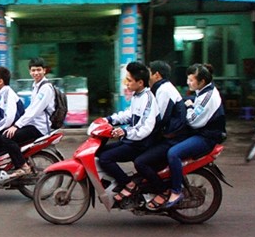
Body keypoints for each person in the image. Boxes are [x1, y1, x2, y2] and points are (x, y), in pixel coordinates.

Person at [97, 61, 160, 204]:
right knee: (99, 152)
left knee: (105, 158)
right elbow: (128, 114)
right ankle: (117, 181)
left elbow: (145, 128)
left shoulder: (148, 99)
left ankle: (128, 184)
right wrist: (109, 119)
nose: (126, 83)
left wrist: (125, 132)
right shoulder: (137, 95)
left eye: (129, 80)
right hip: (132, 140)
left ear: (140, 82)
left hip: (141, 143)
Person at [165, 63, 226, 208]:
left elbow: (193, 120)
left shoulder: (208, 96)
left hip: (206, 137)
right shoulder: (203, 92)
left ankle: (176, 191)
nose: (188, 82)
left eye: (191, 80)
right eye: (188, 79)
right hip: (199, 133)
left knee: (173, 153)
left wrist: (189, 106)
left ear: (202, 81)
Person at [133, 60, 190, 210]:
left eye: (149, 72)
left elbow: (159, 119)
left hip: (172, 139)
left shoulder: (164, 90)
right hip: (167, 135)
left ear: (156, 75)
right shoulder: (159, 89)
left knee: (141, 162)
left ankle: (163, 191)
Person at [2, 57, 55, 177]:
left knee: (7, 137)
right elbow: (30, 108)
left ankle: (23, 167)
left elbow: (35, 111)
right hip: (33, 123)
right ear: (29, 71)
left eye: (39, 70)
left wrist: (16, 125)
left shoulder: (45, 88)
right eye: (33, 70)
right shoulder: (36, 85)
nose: (36, 73)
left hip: (40, 127)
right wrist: (16, 121)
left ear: (44, 70)